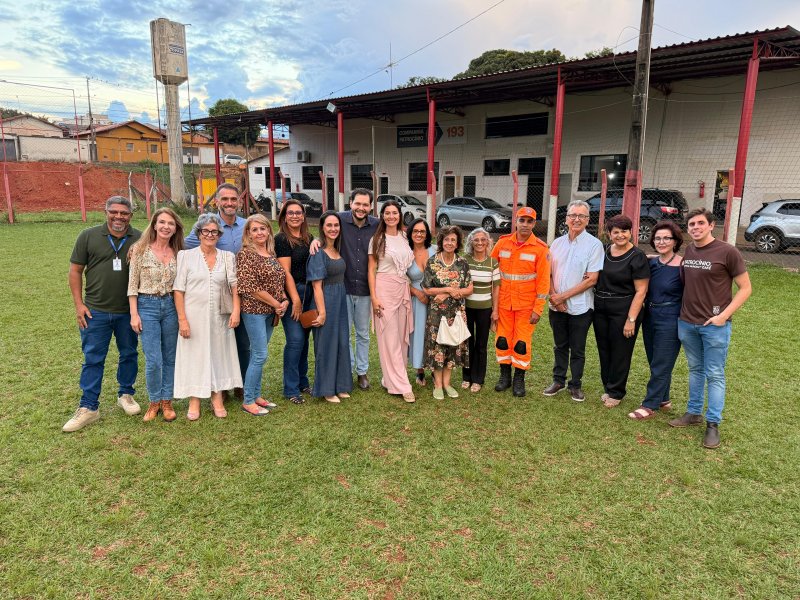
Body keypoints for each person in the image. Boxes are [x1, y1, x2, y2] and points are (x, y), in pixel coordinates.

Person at [669, 208, 751, 449]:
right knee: (695, 369)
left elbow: (746, 288)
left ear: (711, 225)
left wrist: (723, 316)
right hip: (687, 322)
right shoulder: (690, 250)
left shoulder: (728, 252)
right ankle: (693, 412)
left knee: (714, 373)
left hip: (714, 326)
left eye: (700, 223)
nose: (695, 227)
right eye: (691, 224)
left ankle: (713, 424)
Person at [63, 196, 142, 432]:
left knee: (129, 354)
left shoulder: (140, 238)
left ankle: (126, 394)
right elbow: (75, 271)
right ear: (105, 212)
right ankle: (89, 407)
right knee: (93, 358)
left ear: (131, 215)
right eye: (114, 212)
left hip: (128, 312)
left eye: (124, 213)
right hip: (95, 311)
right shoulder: (88, 236)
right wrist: (79, 305)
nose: (119, 217)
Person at [173, 214, 242, 420]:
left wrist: (236, 311)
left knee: (219, 354)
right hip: (193, 316)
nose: (210, 235)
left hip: (220, 317)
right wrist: (182, 319)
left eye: (214, 231)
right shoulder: (186, 256)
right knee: (195, 356)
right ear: (199, 233)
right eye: (206, 231)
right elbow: (178, 290)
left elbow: (234, 286)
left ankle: (217, 397)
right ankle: (194, 400)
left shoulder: (227, 257)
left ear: (219, 235)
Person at [310, 188, 378, 390]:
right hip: (344, 288)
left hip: (365, 288)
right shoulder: (339, 220)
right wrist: (315, 240)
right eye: (358, 203)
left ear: (371, 207)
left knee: (363, 333)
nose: (361, 208)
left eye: (365, 204)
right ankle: (346, 369)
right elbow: (325, 229)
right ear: (351, 203)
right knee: (345, 333)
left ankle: (362, 372)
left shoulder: (376, 225)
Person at [184, 183, 249, 395]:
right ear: (217, 201)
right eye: (225, 199)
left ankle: (241, 384)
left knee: (243, 341)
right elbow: (182, 245)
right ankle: (220, 387)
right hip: (217, 292)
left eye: (233, 199)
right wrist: (141, 247)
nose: (229, 203)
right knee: (220, 341)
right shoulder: (209, 226)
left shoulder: (246, 225)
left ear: (239, 201)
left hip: (245, 290)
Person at [127, 207, 184, 423]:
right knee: (153, 359)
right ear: (154, 225)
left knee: (170, 356)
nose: (166, 227)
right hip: (147, 305)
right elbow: (132, 285)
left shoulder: (179, 252)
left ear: (175, 228)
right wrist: (134, 314)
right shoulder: (140, 250)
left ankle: (167, 401)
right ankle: (154, 401)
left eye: (170, 223)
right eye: (162, 222)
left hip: (170, 305)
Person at [544, 200, 604, 402]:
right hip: (556, 306)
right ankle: (558, 380)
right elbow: (548, 274)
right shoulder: (557, 243)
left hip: (581, 307)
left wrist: (562, 297)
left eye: (581, 216)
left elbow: (592, 280)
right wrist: (554, 297)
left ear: (587, 219)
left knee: (577, 348)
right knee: (560, 345)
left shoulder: (594, 245)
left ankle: (575, 385)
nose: (576, 219)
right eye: (573, 215)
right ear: (567, 218)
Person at [491, 207, 551, 397]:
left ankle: (519, 379)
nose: (525, 224)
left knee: (521, 343)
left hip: (526, 306)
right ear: (515, 221)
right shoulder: (502, 243)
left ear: (534, 224)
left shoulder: (540, 249)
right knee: (502, 341)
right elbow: (491, 271)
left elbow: (543, 282)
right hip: (503, 304)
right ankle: (505, 377)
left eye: (529, 221)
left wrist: (538, 309)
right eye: (522, 220)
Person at [628, 221, 685, 420]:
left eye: (666, 238)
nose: (661, 242)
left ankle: (650, 404)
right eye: (658, 238)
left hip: (671, 317)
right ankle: (664, 399)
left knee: (662, 361)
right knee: (655, 359)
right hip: (650, 315)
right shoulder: (651, 264)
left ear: (675, 241)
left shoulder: (683, 266)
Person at [593, 215, 650, 409]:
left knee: (621, 351)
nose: (620, 235)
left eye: (624, 231)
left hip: (624, 307)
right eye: (615, 232)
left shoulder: (637, 256)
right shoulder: (604, 251)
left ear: (630, 232)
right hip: (601, 306)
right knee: (604, 348)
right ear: (609, 234)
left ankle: (617, 391)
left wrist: (631, 319)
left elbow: (641, 291)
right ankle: (608, 387)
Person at [237, 214, 289, 417]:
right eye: (255, 229)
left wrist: (284, 300)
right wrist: (276, 303)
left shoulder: (270, 253)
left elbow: (277, 281)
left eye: (262, 228)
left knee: (258, 354)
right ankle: (248, 400)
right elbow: (250, 287)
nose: (259, 232)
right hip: (254, 312)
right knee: (260, 354)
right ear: (248, 233)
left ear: (268, 230)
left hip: (270, 312)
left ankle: (256, 395)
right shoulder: (245, 255)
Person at [368, 200, 416, 403]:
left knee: (402, 339)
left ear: (400, 215)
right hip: (384, 290)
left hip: (402, 290)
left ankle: (391, 379)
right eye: (387, 213)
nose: (391, 216)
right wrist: (374, 298)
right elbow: (371, 269)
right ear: (382, 216)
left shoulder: (405, 237)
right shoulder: (377, 239)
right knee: (389, 339)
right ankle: (402, 386)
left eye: (394, 213)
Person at [422, 226, 473, 400]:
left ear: (457, 243)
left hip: (456, 313)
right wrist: (447, 290)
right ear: (441, 241)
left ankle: (447, 383)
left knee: (452, 345)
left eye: (453, 240)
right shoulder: (433, 262)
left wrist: (450, 294)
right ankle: (437, 384)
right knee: (438, 346)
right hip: (437, 313)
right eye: (446, 239)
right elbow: (427, 289)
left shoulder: (462, 263)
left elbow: (469, 289)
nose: (449, 243)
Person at [307, 211, 353, 403]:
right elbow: (316, 286)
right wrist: (322, 312)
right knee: (326, 345)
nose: (333, 229)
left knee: (341, 342)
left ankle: (340, 385)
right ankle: (326, 389)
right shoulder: (318, 252)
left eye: (336, 225)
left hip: (340, 300)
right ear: (322, 228)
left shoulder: (338, 248)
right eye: (329, 225)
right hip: (325, 301)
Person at [275, 199, 314, 405]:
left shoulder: (308, 237)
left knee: (305, 340)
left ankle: (302, 382)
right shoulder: (281, 239)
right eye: (290, 213)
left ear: (303, 216)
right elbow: (285, 273)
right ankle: (290, 388)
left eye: (298, 212)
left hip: (310, 292)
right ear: (284, 216)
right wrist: (295, 300)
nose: (295, 216)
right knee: (295, 340)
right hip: (293, 293)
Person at [461, 227, 499, 393]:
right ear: (471, 242)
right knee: (467, 343)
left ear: (488, 242)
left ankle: (478, 379)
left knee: (481, 345)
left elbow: (496, 288)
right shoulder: (464, 260)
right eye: (476, 240)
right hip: (466, 308)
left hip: (485, 309)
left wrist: (495, 311)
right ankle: (466, 376)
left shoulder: (493, 262)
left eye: (483, 240)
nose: (480, 243)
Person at [406, 218, 436, 387]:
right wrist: (416, 292)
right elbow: (399, 279)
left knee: (435, 333)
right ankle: (420, 370)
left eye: (422, 231)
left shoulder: (435, 250)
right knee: (418, 333)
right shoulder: (406, 252)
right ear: (410, 233)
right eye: (416, 231)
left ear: (427, 234)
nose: (419, 234)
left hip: (436, 298)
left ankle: (435, 368)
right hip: (416, 298)